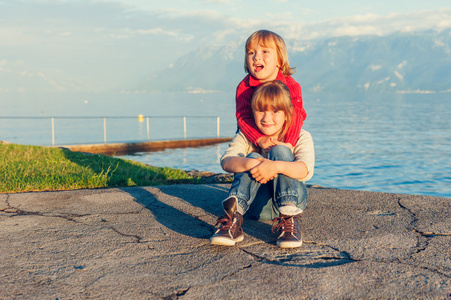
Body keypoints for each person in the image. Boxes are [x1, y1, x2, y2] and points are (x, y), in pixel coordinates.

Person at [210, 81, 314, 248]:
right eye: (261, 111)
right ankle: (233, 219)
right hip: (255, 206)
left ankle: (289, 222)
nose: (267, 118)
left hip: (292, 201)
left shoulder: (301, 136)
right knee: (250, 157)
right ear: (252, 112)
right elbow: (226, 162)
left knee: (280, 151)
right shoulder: (246, 136)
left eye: (275, 111)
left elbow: (305, 170)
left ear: (287, 114)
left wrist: (276, 166)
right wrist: (252, 163)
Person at [236, 29, 307, 151]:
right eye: (251, 52)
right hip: (252, 138)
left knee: (282, 153)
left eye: (265, 51)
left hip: (283, 136)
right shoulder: (244, 88)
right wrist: (259, 139)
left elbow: (296, 115)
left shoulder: (291, 87)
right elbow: (243, 117)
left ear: (279, 60)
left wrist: (289, 144)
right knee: (249, 158)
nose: (257, 57)